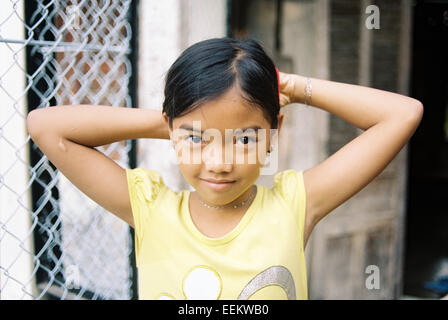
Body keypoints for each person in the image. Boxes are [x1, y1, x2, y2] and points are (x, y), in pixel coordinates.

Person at [26, 37, 423, 300]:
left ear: (273, 133)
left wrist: (296, 88)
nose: (219, 163)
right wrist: (175, 126)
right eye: (199, 140)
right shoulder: (148, 208)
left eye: (245, 138)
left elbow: (402, 114)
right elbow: (47, 127)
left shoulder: (296, 204)